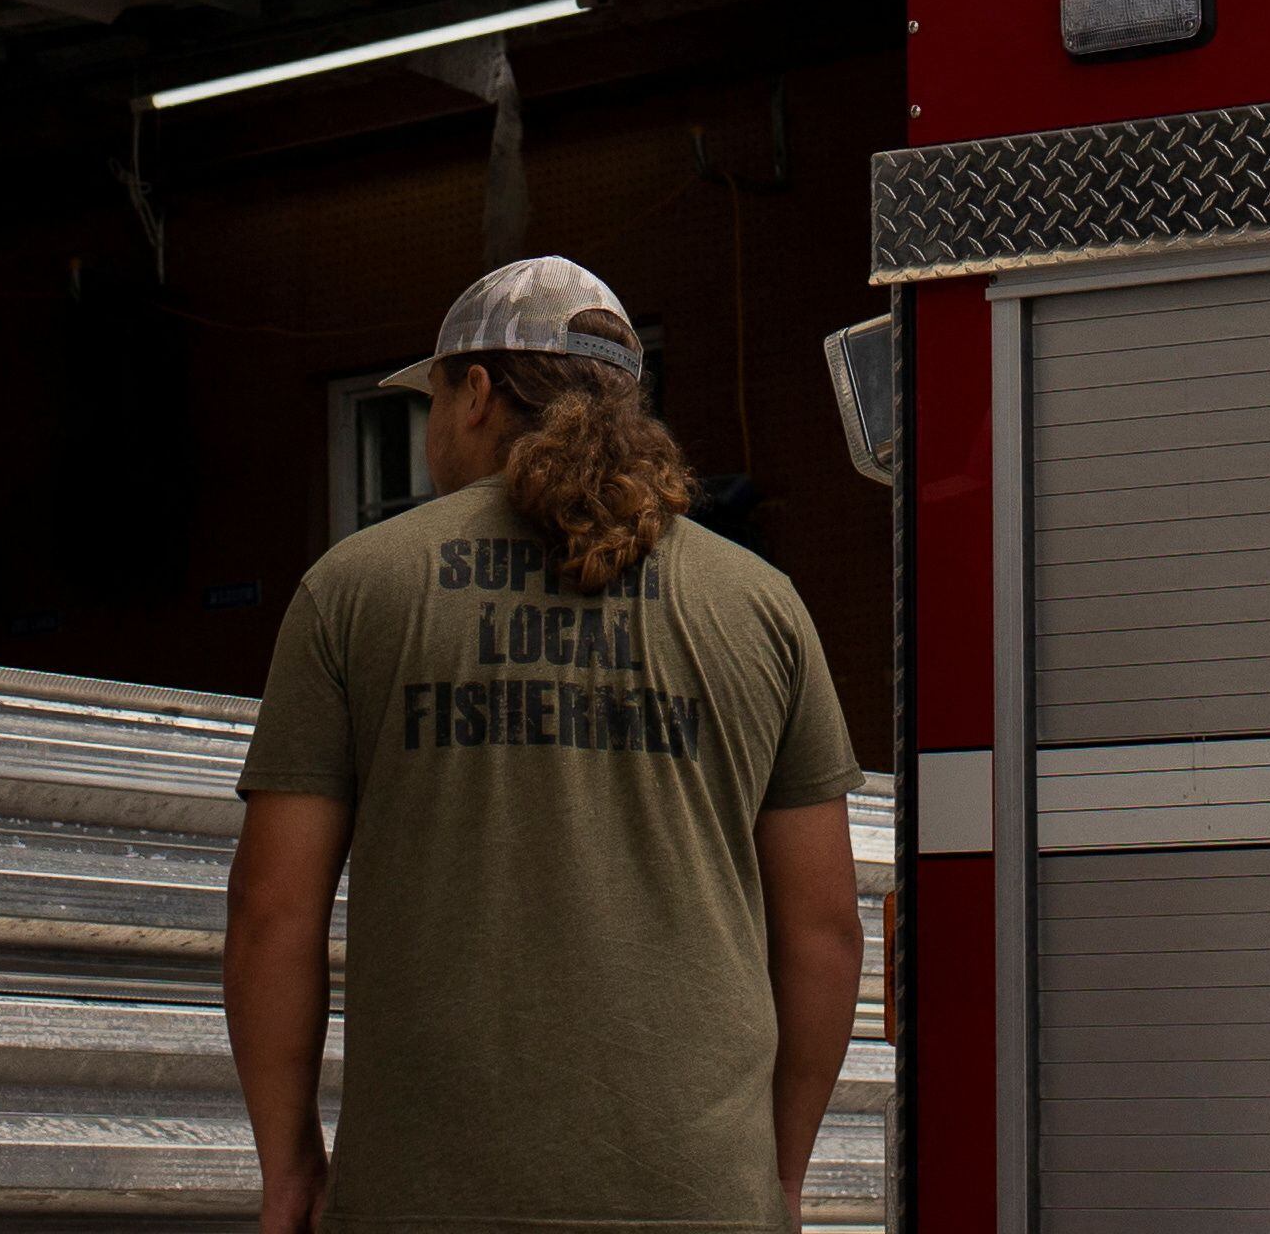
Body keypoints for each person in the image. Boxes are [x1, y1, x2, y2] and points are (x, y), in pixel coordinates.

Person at [228, 256, 864, 1234]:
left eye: (432, 401)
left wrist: (289, 1168)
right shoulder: (760, 604)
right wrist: (770, 1180)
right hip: (697, 1197)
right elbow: (823, 930)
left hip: (424, 1201)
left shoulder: (356, 587)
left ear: (476, 392)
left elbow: (274, 912)